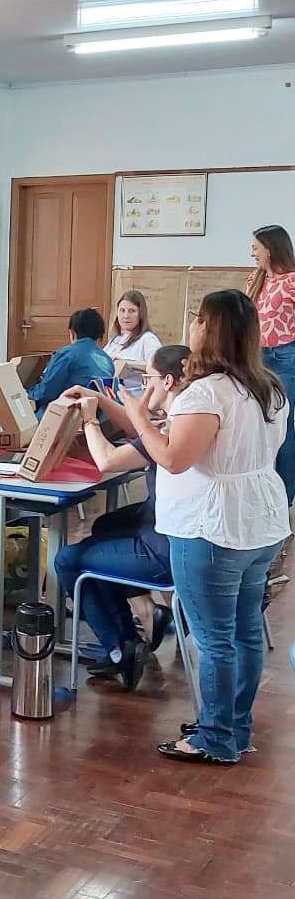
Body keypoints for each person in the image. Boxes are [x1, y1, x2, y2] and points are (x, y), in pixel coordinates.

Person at [127, 290, 288, 764]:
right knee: (244, 633)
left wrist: (139, 418)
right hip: (259, 521)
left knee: (214, 638)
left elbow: (174, 459)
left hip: (211, 527)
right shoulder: (268, 385)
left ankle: (215, 738)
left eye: (199, 319)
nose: (192, 325)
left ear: (210, 330)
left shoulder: (208, 391)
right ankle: (234, 727)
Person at [54, 345, 190, 691]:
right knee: (103, 527)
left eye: (149, 379)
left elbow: (108, 461)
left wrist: (88, 419)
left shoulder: (173, 428)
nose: (144, 386)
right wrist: (97, 398)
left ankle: (119, 648)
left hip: (163, 548)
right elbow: (136, 427)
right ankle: (134, 627)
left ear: (169, 382)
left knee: (68, 560)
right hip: (171, 530)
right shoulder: (185, 416)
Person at [248, 224, 295, 504]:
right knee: (258, 424)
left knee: (283, 426)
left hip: (285, 356)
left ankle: (284, 497)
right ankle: (261, 495)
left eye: (256, 247)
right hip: (255, 357)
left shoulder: (292, 281)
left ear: (270, 248)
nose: (252, 253)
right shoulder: (256, 278)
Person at [26, 308, 114, 414]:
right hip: (97, 416)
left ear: (72, 332)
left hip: (68, 417)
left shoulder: (66, 355)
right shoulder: (107, 360)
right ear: (100, 335)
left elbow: (45, 393)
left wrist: (26, 392)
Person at [104, 290, 162, 363]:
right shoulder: (115, 340)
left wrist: (123, 363)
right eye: (122, 310)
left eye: (132, 311)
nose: (126, 316)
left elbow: (157, 368)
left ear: (141, 314)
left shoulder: (148, 339)